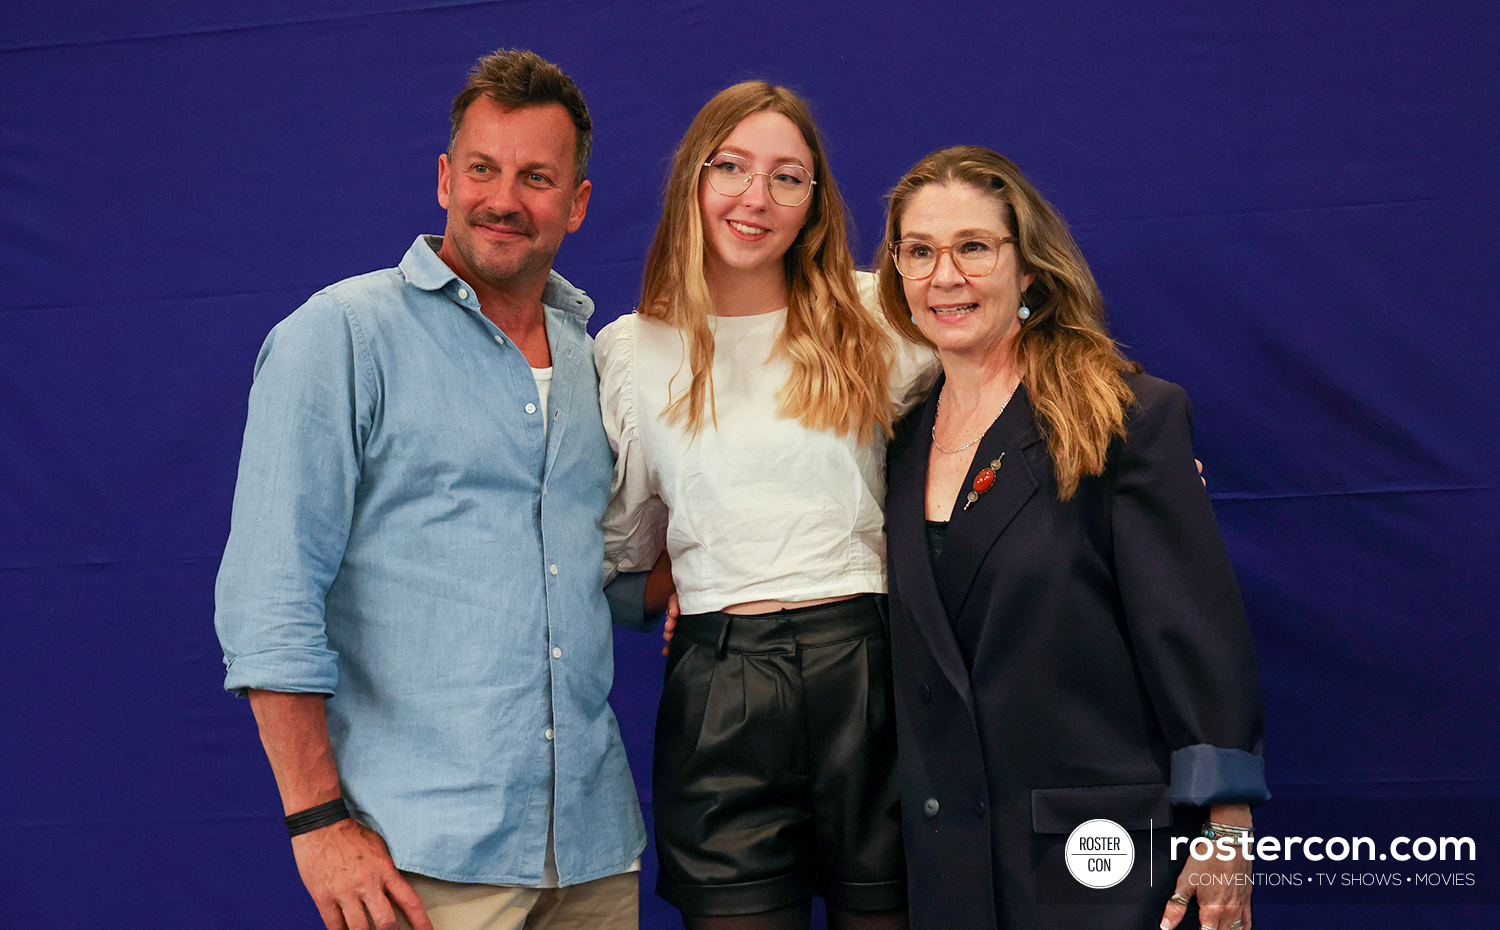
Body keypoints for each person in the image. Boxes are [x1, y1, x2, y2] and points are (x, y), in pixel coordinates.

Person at [214, 49, 644, 930]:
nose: (503, 199)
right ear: (445, 178)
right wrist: (316, 822)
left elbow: (594, 577)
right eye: (482, 169)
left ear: (578, 201)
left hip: (593, 857)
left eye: (536, 177)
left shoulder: (595, 359)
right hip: (422, 862)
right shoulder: (340, 336)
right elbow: (267, 600)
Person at [875, 146, 1268, 930]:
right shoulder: (897, 439)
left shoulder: (1123, 417)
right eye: (919, 251)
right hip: (948, 863)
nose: (943, 275)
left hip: (1098, 857)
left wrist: (1226, 830)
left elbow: (1195, 637)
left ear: (1029, 271)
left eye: (973, 248)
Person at [595, 82, 935, 930]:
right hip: (720, 686)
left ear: (815, 202)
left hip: (871, 667)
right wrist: (682, 582)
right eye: (733, 168)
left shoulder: (872, 313)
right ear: (691, 180)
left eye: (789, 177)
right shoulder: (633, 352)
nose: (758, 198)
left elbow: (1012, 356)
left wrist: (1128, 433)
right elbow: (623, 561)